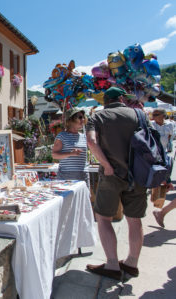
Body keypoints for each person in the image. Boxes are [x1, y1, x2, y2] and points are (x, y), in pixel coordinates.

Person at [85, 87, 146, 280]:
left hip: (111, 175)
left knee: (103, 218)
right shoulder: (138, 114)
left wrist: (106, 165)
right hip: (137, 174)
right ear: (121, 99)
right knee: (134, 220)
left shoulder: (98, 117)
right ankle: (132, 263)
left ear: (105, 101)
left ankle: (112, 264)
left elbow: (91, 142)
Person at [51, 107, 89, 188]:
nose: (83, 119)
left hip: (83, 174)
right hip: (67, 175)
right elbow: (54, 155)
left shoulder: (83, 136)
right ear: (71, 120)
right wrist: (71, 153)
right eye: (80, 117)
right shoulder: (62, 136)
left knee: (84, 199)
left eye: (83, 117)